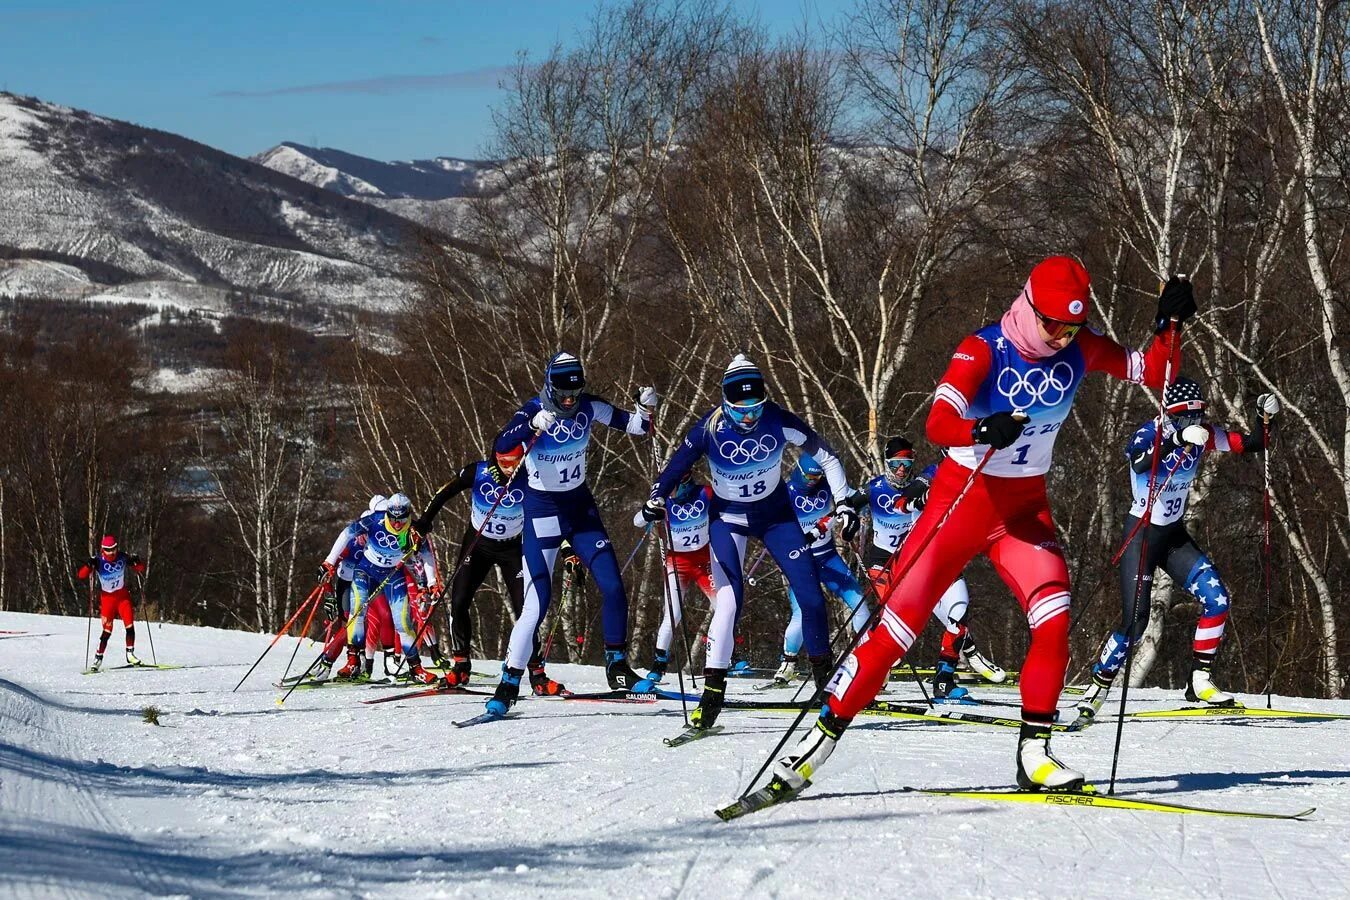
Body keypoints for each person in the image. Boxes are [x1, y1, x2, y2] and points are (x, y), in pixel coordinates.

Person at [768, 258, 1193, 797]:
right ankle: (819, 741)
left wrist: (1171, 328)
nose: (1063, 337)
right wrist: (978, 426)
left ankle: (1034, 753)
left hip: (1022, 512)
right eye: (1054, 325)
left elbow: (1153, 373)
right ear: (1029, 307)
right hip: (959, 506)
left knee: (1054, 617)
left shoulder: (1080, 347)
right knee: (894, 633)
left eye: (1073, 327)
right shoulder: (984, 348)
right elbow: (937, 422)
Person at [642, 354, 861, 732]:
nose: (748, 418)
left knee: (810, 598)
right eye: (739, 410)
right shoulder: (709, 428)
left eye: (755, 408)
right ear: (725, 403)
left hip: (775, 516)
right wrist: (656, 498)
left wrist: (843, 504)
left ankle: (826, 687)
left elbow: (827, 456)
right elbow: (676, 466)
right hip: (728, 520)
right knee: (729, 602)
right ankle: (712, 697)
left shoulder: (776, 418)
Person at [1074, 378, 1281, 724]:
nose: (1194, 424)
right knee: (1136, 622)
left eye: (1198, 416)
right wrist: (1177, 438)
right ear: (1170, 415)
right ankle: (1099, 682)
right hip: (1141, 537)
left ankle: (1198, 680)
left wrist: (1265, 419)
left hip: (1172, 537)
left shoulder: (1203, 434)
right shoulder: (1151, 433)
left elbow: (1253, 444)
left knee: (1217, 600)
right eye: (1186, 418)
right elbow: (1140, 461)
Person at [485, 353, 658, 717]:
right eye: (562, 394)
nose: (568, 400)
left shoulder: (588, 407)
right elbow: (501, 446)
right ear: (550, 386)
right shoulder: (533, 408)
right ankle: (509, 680)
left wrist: (645, 410)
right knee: (538, 601)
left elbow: (638, 428)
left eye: (574, 393)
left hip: (580, 509)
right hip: (542, 511)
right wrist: (531, 425)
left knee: (612, 585)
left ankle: (617, 665)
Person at [864, 437, 1004, 699]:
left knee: (958, 613)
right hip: (915, 562)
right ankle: (864, 675)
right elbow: (906, 498)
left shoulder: (984, 473)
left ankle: (944, 680)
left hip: (946, 557)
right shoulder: (934, 473)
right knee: (892, 622)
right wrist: (919, 498)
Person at [415, 453, 560, 694]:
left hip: (513, 547)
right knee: (459, 601)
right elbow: (445, 491)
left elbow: (553, 513)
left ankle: (537, 675)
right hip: (478, 544)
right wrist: (424, 521)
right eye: (503, 463)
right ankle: (461, 665)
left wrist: (567, 549)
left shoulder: (531, 477)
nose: (508, 468)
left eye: (514, 463)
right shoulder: (479, 472)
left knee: (527, 610)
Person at [769, 456, 870, 687]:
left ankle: (868, 659)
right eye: (809, 477)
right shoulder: (786, 493)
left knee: (859, 603)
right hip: (802, 563)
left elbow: (857, 497)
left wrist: (857, 507)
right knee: (803, 612)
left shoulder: (827, 487)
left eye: (818, 477)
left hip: (829, 557)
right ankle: (789, 662)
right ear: (799, 473)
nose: (814, 481)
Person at [321, 493, 442, 685]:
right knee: (357, 612)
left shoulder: (414, 529)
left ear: (408, 514)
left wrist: (432, 582)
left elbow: (426, 555)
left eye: (401, 519)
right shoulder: (375, 520)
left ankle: (416, 669)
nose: (396, 524)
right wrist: (329, 562)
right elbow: (346, 533)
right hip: (365, 571)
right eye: (392, 518)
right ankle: (353, 662)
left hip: (393, 575)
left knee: (403, 622)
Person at [637, 470, 718, 681]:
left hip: (704, 560)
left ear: (685, 482)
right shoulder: (663, 501)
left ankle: (725, 656)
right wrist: (648, 513)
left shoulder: (705, 493)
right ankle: (658, 664)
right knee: (673, 614)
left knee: (723, 607)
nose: (670, 493)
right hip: (678, 562)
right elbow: (637, 520)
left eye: (674, 487)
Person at [78, 534, 146, 671]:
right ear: (103, 549)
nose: (112, 552)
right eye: (108, 550)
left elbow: (140, 569)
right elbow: (81, 575)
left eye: (114, 549)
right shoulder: (98, 560)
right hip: (107, 600)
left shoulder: (122, 556)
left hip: (122, 597)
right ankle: (98, 658)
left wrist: (136, 562)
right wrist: (88, 565)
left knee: (130, 626)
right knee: (107, 631)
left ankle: (130, 654)